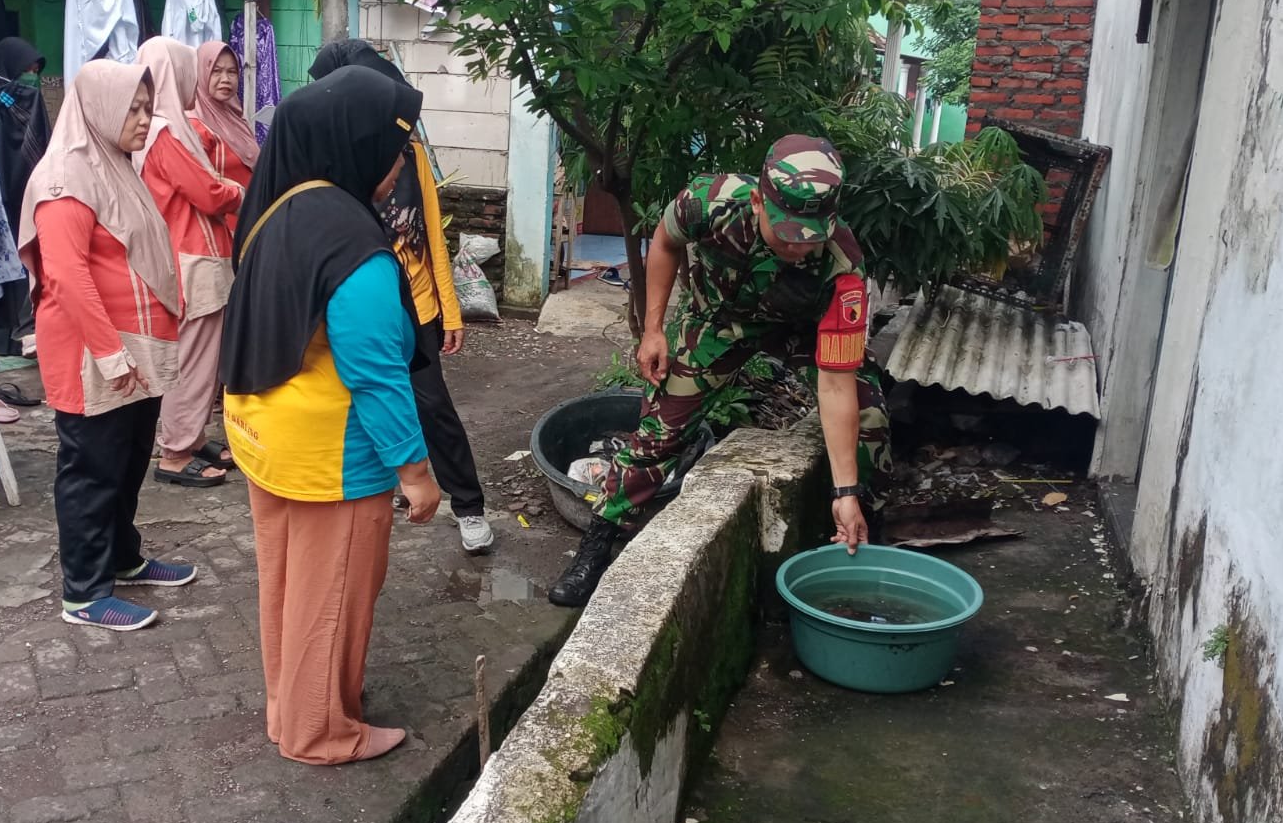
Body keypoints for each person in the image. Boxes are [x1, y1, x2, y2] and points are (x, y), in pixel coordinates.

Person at [549, 135, 893, 607]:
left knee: (870, 417)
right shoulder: (709, 202)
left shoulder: (843, 266)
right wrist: (653, 330)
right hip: (720, 323)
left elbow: (835, 385)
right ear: (759, 202)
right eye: (786, 234)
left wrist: (845, 490)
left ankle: (863, 525)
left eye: (810, 236)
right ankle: (597, 543)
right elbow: (665, 242)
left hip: (804, 331)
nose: (798, 248)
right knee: (660, 432)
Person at [219, 64, 438, 765]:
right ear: (356, 144)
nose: (400, 165)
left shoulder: (283, 204)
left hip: (265, 435)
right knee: (333, 593)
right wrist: (416, 472)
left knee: (290, 588)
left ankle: (290, 710)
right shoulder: (355, 244)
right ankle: (321, 734)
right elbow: (375, 372)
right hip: (331, 455)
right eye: (394, 148)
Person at [19, 61, 196, 632]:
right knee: (92, 469)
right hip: (92, 353)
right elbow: (67, 275)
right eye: (133, 109)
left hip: (134, 344)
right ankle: (84, 593)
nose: (144, 120)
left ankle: (122, 558)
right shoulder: (65, 178)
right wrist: (109, 354)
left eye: (147, 108)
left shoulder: (115, 164)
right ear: (99, 110)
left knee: (128, 458)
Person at [307, 40, 493, 554]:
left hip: (416, 307)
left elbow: (432, 233)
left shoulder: (410, 154)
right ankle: (386, 485)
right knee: (361, 403)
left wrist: (450, 311)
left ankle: (469, 505)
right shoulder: (325, 162)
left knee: (434, 408)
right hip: (352, 311)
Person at [134, 37, 248, 487]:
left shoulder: (153, 127)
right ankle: (177, 452)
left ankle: (190, 436)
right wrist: (238, 192)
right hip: (192, 255)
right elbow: (207, 193)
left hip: (181, 251)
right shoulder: (166, 131)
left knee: (195, 356)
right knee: (194, 360)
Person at [0, 37, 52, 357]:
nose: (31, 78)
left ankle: (23, 334)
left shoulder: (26, 100)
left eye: (36, 72)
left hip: (24, 195)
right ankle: (3, 338)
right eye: (27, 71)